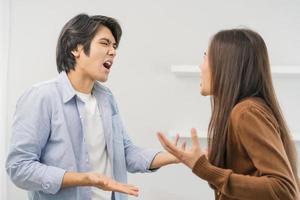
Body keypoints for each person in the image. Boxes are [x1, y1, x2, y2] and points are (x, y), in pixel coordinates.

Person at [6, 13, 178, 200]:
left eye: (114, 46)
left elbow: (125, 152)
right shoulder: (42, 97)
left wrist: (176, 157)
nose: (113, 51)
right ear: (76, 48)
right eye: (104, 43)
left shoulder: (106, 98)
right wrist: (85, 179)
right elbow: (19, 167)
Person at [157, 29, 300, 200]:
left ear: (225, 64)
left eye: (205, 57)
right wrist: (213, 162)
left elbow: (283, 189)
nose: (200, 67)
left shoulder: (246, 112)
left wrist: (205, 169)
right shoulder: (246, 109)